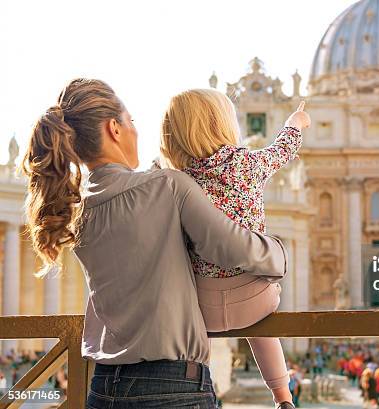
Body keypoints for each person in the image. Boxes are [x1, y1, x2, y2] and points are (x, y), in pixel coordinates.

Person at [19, 78, 288, 408]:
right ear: (114, 129)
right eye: (131, 121)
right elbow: (235, 249)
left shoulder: (75, 209)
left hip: (103, 385)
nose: (136, 131)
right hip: (171, 384)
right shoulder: (168, 186)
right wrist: (279, 253)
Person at [159, 88, 310, 408]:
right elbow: (281, 150)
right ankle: (283, 396)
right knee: (262, 327)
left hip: (201, 303)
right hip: (254, 297)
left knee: (194, 335)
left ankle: (195, 389)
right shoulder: (248, 164)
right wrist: (295, 122)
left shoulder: (177, 180)